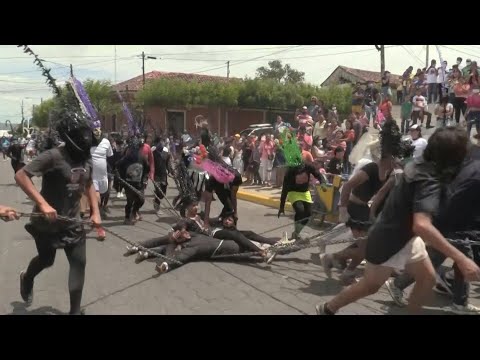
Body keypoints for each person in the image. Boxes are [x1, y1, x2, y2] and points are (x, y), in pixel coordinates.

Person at [316, 127, 480, 315]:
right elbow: (422, 224)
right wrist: (461, 258)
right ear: (452, 156)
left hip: (406, 236)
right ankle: (327, 309)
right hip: (390, 239)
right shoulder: (428, 178)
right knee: (370, 286)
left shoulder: (421, 164)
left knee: (427, 280)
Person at [15, 101, 102, 315]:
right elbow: (21, 175)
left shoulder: (86, 158)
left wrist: (95, 211)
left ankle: (74, 311)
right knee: (47, 260)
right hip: (47, 223)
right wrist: (43, 204)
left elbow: (89, 183)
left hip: (73, 222)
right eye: (81, 133)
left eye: (87, 133)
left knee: (79, 263)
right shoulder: (54, 156)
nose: (86, 138)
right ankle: (27, 277)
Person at [385, 150, 480, 314]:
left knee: (445, 259)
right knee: (460, 259)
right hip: (452, 221)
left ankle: (459, 301)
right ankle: (399, 284)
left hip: (459, 221)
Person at [116, 137, 150, 225]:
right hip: (128, 183)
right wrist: (121, 177)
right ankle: (127, 217)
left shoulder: (142, 158)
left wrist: (145, 179)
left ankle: (134, 211)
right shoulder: (126, 158)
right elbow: (118, 166)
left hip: (139, 183)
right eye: (133, 148)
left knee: (141, 199)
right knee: (130, 201)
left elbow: (147, 169)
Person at [89, 122, 112, 239]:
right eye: (94, 130)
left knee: (103, 197)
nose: (96, 132)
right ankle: (100, 229)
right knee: (96, 200)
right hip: (92, 177)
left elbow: (110, 157)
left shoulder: (106, 142)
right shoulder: (87, 142)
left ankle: (93, 215)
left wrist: (113, 171)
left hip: (104, 176)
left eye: (98, 129)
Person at [152, 137, 173, 216]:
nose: (161, 143)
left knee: (163, 192)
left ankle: (156, 200)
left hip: (163, 174)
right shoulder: (153, 150)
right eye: (160, 142)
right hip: (156, 174)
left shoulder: (166, 151)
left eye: (162, 142)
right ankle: (157, 208)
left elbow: (168, 162)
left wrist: (171, 171)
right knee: (158, 191)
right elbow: (149, 161)